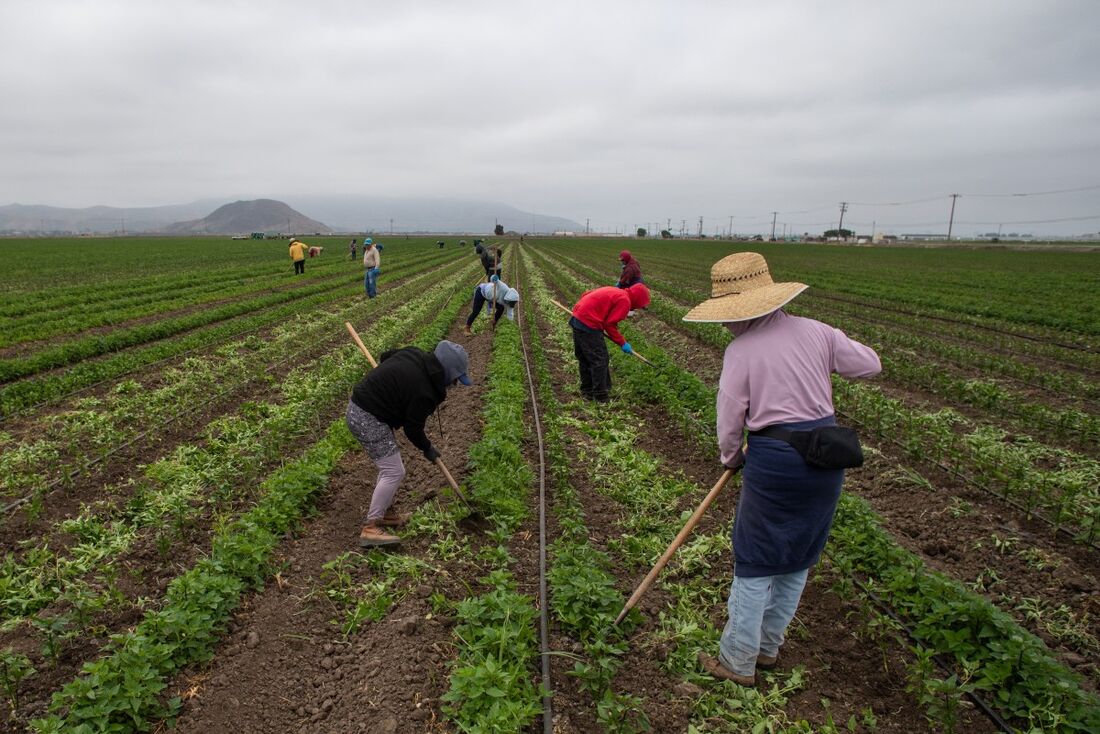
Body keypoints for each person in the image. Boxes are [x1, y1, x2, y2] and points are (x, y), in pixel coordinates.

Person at [683, 252, 881, 686]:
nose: (725, 325)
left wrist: (731, 458)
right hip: (827, 457)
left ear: (745, 312)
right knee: (797, 557)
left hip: (776, 459)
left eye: (727, 317)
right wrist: (821, 352)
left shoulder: (742, 350)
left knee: (756, 560)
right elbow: (870, 364)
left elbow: (730, 416)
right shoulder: (818, 331)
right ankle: (768, 649)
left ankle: (737, 661)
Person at [345, 340, 471, 546]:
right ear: (447, 372)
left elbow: (386, 356)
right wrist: (428, 449)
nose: (454, 385)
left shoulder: (414, 353)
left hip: (364, 409)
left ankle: (386, 514)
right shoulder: (425, 392)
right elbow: (412, 429)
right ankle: (370, 528)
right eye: (455, 379)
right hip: (366, 417)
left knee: (390, 466)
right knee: (394, 471)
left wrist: (391, 381)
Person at [568, 283, 650, 402]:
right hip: (589, 323)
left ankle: (587, 391)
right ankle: (600, 396)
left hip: (577, 318)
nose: (637, 308)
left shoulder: (615, 291)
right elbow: (610, 324)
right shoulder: (625, 300)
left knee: (585, 357)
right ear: (637, 299)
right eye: (640, 305)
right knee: (599, 359)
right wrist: (623, 343)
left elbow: (586, 294)